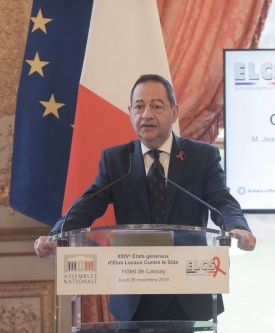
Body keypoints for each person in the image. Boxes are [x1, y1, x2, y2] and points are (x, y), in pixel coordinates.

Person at [34, 74, 256, 321]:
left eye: (157, 106)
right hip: (134, 289)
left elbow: (221, 200)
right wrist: (58, 235)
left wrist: (237, 227)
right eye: (139, 106)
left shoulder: (202, 157)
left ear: (174, 112)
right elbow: (88, 204)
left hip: (187, 287)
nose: (147, 114)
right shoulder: (117, 160)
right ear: (130, 112)